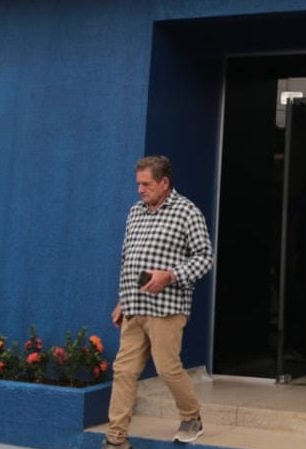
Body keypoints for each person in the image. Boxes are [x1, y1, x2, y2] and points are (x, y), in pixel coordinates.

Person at [104, 156, 214, 449]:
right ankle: (116, 437)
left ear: (164, 183)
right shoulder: (135, 212)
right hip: (134, 308)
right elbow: (127, 259)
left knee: (167, 368)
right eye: (138, 183)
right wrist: (122, 300)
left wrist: (170, 275)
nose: (140, 189)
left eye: (146, 184)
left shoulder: (187, 212)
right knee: (124, 371)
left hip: (167, 309)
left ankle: (192, 417)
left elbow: (205, 258)